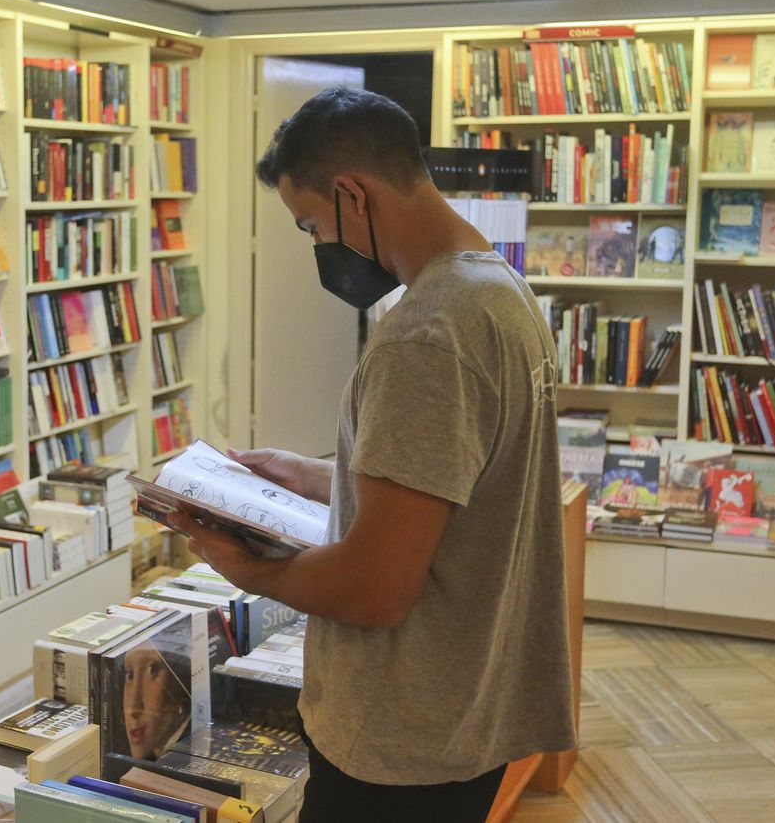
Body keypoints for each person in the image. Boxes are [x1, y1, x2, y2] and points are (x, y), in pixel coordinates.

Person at [179, 88, 574, 821]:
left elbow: (375, 589)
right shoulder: (500, 293)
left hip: (401, 732)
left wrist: (247, 569)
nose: (316, 247)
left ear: (351, 193)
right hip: (466, 708)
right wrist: (315, 475)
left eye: (310, 224)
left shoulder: (428, 333)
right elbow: (459, 488)